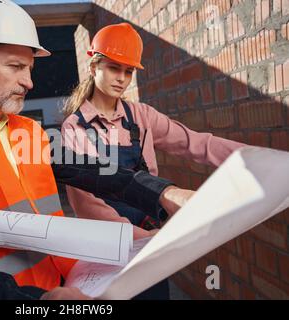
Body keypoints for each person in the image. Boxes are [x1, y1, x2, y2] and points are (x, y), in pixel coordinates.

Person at [0, 2, 193, 300]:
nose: (29, 81)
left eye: (30, 68)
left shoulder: (29, 131)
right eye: (16, 67)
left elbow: (101, 172)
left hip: (64, 285)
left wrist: (165, 194)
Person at [61, 22, 247, 299]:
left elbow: (196, 143)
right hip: (110, 252)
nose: (122, 78)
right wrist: (143, 240)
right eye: (114, 67)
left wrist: (250, 158)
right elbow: (89, 206)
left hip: (150, 246)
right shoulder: (74, 129)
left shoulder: (142, 117)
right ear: (93, 67)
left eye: (129, 71)